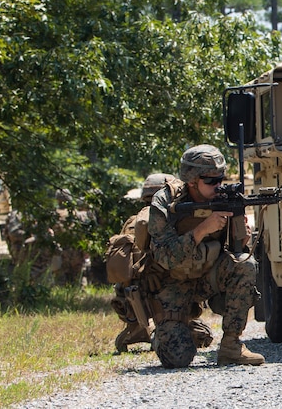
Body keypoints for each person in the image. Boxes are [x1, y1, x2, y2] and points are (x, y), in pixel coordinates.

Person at [146, 145, 264, 367]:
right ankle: (175, 325)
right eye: (210, 181)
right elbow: (165, 256)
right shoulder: (165, 203)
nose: (217, 185)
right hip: (172, 282)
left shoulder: (225, 198)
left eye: (220, 179)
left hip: (207, 276)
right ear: (191, 180)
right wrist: (202, 229)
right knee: (177, 358)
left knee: (245, 265)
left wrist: (241, 238)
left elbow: (232, 251)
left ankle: (231, 346)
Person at [109, 173, 214, 353]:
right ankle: (182, 323)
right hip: (176, 292)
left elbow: (121, 271)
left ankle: (137, 327)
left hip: (141, 297)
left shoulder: (133, 223)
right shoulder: (181, 219)